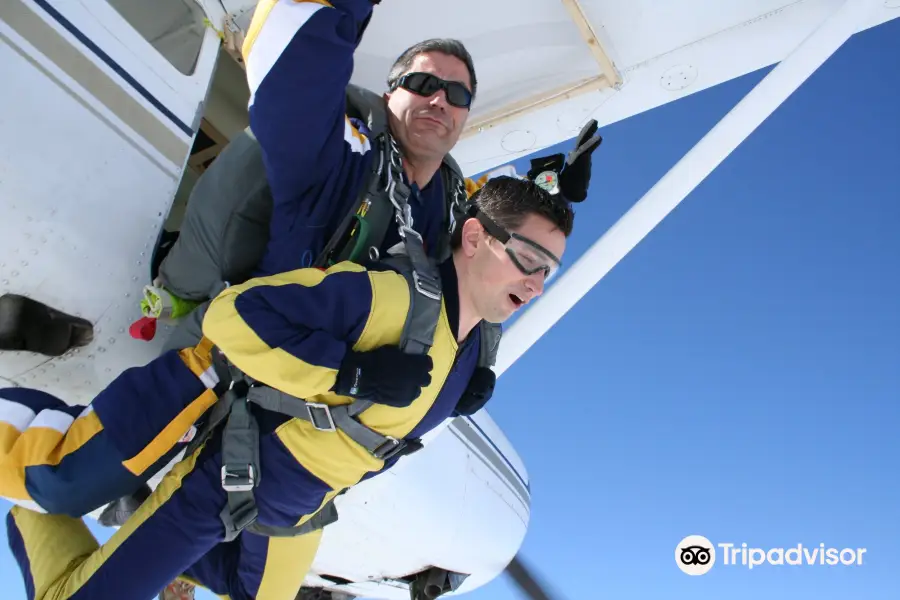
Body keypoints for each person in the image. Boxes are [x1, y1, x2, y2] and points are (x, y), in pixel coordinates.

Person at [4, 175, 574, 600]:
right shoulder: (390, 299)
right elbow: (233, 318)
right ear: (473, 237)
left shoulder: (475, 351)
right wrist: (348, 372)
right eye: (528, 259)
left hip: (298, 515)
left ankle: (139, 522)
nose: (537, 283)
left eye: (548, 270)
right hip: (224, 485)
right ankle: (37, 510)